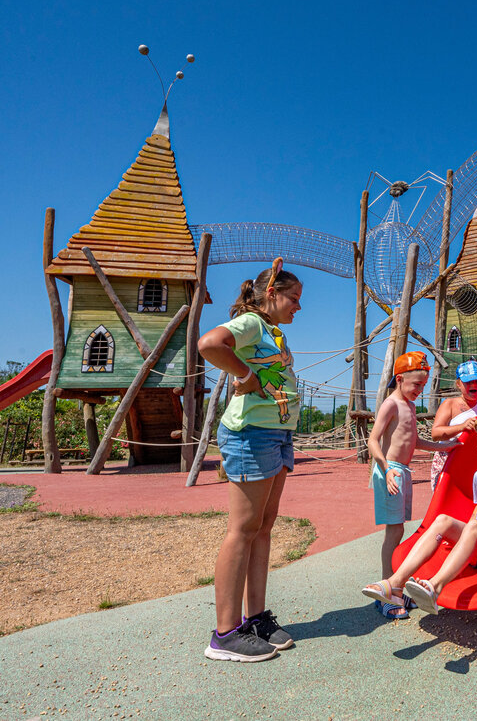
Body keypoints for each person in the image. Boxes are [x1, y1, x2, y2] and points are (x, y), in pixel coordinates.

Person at [196, 261, 302, 663]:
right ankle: (225, 633)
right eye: (293, 298)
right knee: (242, 529)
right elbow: (209, 344)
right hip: (251, 434)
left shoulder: (272, 331)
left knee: (263, 527)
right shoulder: (252, 323)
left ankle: (255, 617)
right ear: (271, 293)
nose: (297, 307)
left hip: (276, 434)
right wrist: (244, 374)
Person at [362, 418, 477, 615]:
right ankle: (394, 584)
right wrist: (464, 539)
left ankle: (435, 587)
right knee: (443, 520)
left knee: (474, 527)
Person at [364, 351, 460, 618]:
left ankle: (393, 587)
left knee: (398, 530)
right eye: (416, 384)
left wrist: (444, 447)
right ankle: (387, 591)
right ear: (400, 379)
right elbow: (373, 440)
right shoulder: (391, 404)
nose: (420, 390)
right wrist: (386, 469)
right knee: (393, 532)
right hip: (391, 471)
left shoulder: (409, 406)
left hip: (402, 471)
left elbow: (414, 441)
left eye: (423, 385)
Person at [428, 359, 477, 490]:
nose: (474, 385)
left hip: (472, 463)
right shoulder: (450, 404)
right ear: (459, 384)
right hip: (448, 461)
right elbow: (435, 434)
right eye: (468, 382)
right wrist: (462, 427)